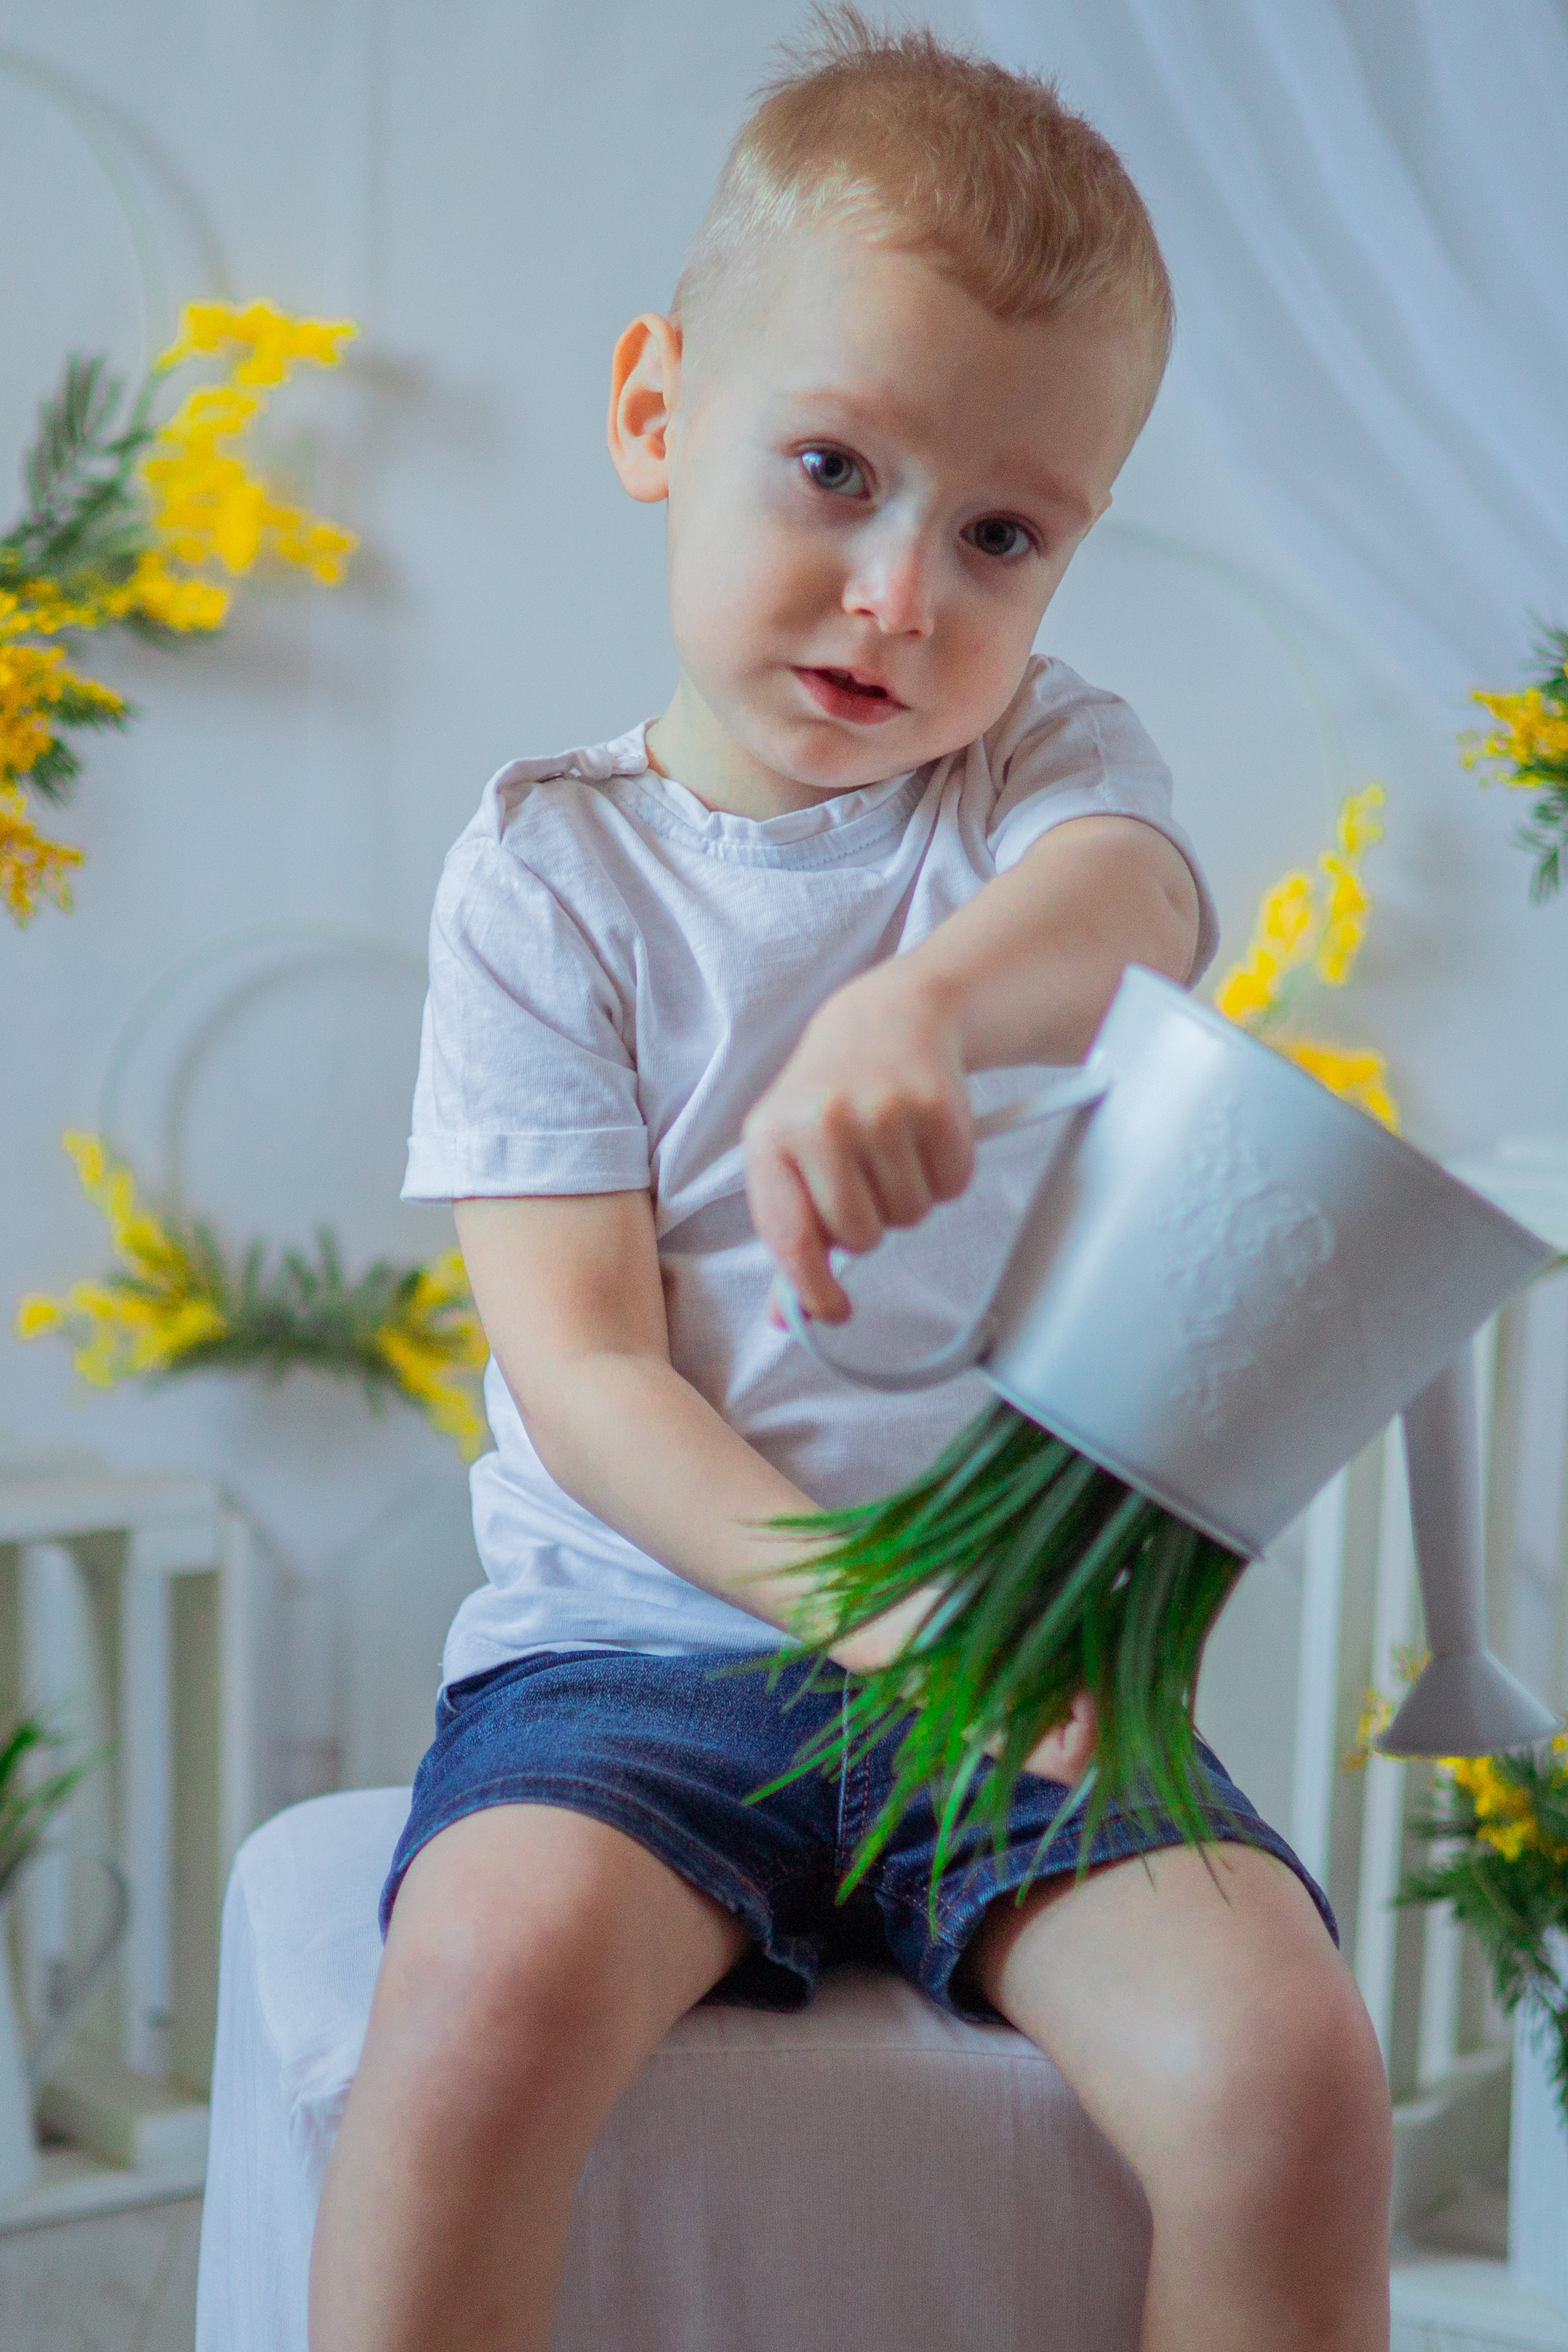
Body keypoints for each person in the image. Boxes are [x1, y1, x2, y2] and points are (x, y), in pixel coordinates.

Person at [309, 16, 1392, 2349]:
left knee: (1284, 2066)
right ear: (651, 414)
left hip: (1012, 1661)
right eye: (831, 471)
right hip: (636, 1656)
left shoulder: (1042, 774)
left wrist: (920, 1006)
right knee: (477, 2000)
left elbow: (1134, 907)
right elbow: (586, 1370)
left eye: (1001, 533)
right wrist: (867, 1606)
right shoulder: (550, 875)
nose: (904, 597)